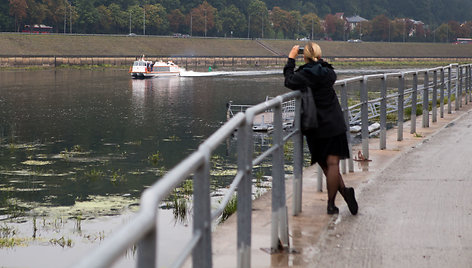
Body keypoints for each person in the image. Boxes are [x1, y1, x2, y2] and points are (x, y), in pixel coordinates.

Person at [283, 42, 358, 215]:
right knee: (333, 164)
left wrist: (291, 59)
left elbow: (289, 80)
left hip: (315, 126)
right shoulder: (329, 73)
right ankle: (334, 202)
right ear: (319, 55)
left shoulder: (303, 75)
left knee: (325, 165)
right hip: (334, 122)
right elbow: (322, 68)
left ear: (305, 57)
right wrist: (317, 59)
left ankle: (344, 195)